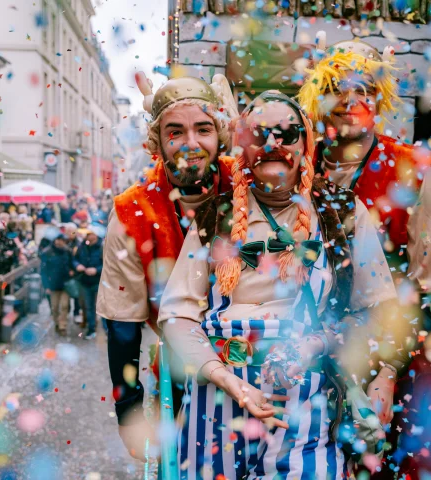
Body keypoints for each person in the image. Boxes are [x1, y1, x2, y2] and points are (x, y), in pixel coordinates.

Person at [158, 91, 401, 478]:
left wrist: (315, 345)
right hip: (215, 400)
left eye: (287, 134)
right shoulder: (214, 215)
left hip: (307, 403)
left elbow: (377, 313)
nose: (273, 144)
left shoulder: (342, 213)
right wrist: (224, 377)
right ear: (243, 146)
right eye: (260, 134)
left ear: (306, 144)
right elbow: (177, 315)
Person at [298, 37, 431, 478]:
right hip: (323, 339)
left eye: (365, 89)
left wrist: (388, 369)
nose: (351, 100)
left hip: (409, 338)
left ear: (380, 98)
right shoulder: (299, 166)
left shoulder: (413, 168)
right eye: (338, 87)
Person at [96, 74, 238, 460]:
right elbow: (123, 325)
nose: (191, 145)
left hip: (258, 365)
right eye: (176, 132)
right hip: (181, 376)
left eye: (203, 129)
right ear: (156, 142)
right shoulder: (131, 210)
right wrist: (128, 413)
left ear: (220, 133)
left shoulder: (247, 186)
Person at [73, 225, 105, 339]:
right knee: (88, 306)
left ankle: (105, 330)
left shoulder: (102, 247)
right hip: (84, 281)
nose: (87, 236)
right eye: (87, 234)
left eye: (89, 234)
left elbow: (108, 264)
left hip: (98, 281)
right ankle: (91, 329)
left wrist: (96, 270)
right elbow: (75, 259)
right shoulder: (82, 246)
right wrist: (78, 266)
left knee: (101, 306)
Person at [39, 233, 73, 336]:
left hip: (66, 283)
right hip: (53, 284)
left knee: (64, 305)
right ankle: (57, 323)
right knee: (54, 307)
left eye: (61, 240)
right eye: (57, 240)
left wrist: (72, 271)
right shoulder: (47, 252)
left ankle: (62, 325)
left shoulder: (68, 252)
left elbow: (72, 264)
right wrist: (46, 286)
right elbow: (43, 271)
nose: (59, 242)